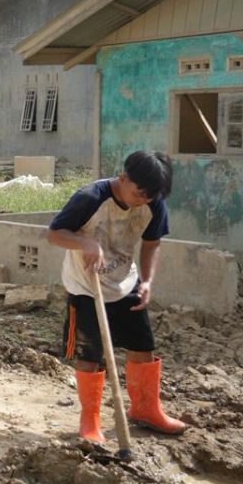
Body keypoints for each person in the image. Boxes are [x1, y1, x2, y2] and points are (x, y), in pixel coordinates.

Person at [47, 150, 185, 444]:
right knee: (90, 354)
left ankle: (146, 409)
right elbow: (55, 234)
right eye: (139, 193)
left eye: (150, 196)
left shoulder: (154, 202)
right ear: (123, 178)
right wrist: (84, 241)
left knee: (142, 347)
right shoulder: (90, 198)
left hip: (125, 283)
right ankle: (90, 421)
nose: (143, 200)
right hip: (86, 287)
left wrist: (147, 281)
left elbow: (151, 244)